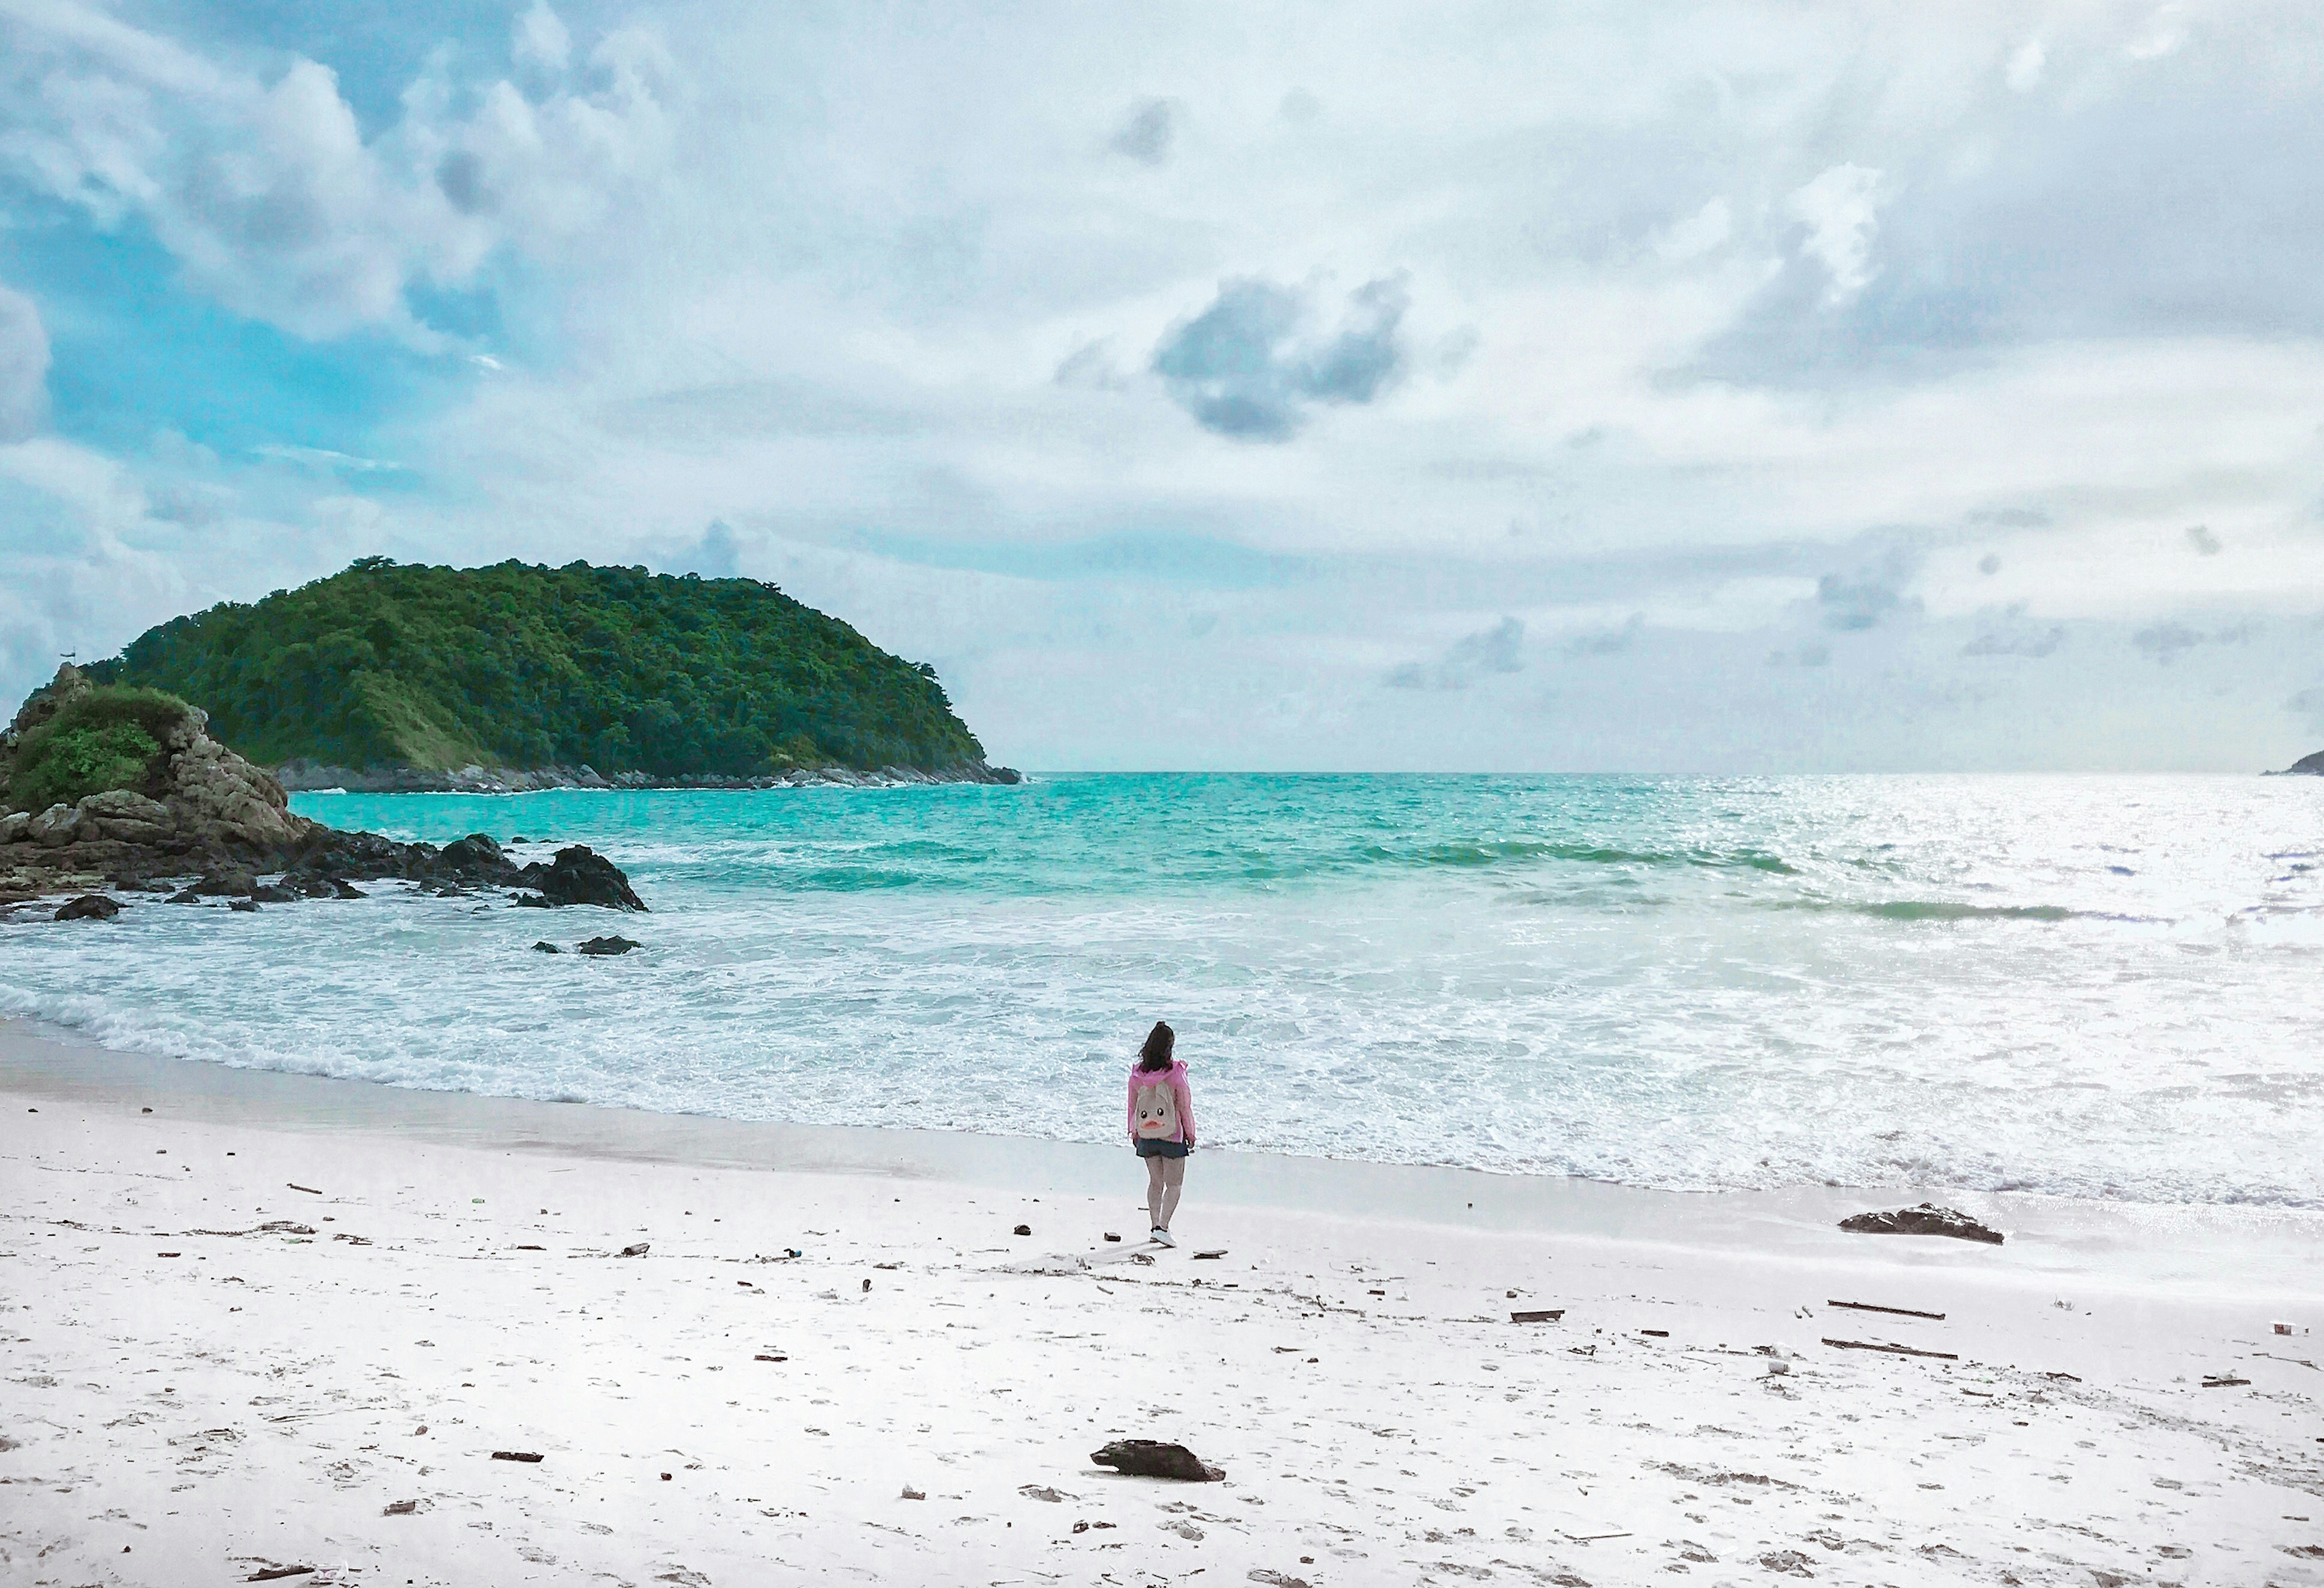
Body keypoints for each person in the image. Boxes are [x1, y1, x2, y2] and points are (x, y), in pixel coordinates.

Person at [1127, 1020, 1195, 1246]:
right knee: (1174, 1185)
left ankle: (1154, 1226)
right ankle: (1163, 1228)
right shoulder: (1176, 1073)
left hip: (1147, 1135)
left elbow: (1132, 1106)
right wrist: (1191, 1133)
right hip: (1172, 1136)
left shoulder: (1137, 1075)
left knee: (1155, 1183)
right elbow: (1184, 1106)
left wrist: (1134, 1131)